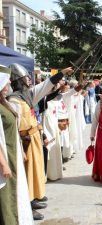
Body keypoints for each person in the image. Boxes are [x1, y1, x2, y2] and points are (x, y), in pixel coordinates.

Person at [8, 63, 74, 220]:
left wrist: (61, 73)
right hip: (25, 142)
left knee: (36, 170)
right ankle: (27, 205)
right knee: (27, 174)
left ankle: (33, 198)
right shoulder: (14, 100)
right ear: (19, 81)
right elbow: (15, 128)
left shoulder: (28, 95)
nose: (29, 81)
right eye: (26, 79)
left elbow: (46, 85)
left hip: (34, 139)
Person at [0, 65, 34, 224]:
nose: (8, 86)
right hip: (6, 157)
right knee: (8, 195)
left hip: (14, 153)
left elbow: (13, 132)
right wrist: (4, 164)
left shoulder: (5, 103)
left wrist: (21, 150)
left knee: (18, 191)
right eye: (6, 83)